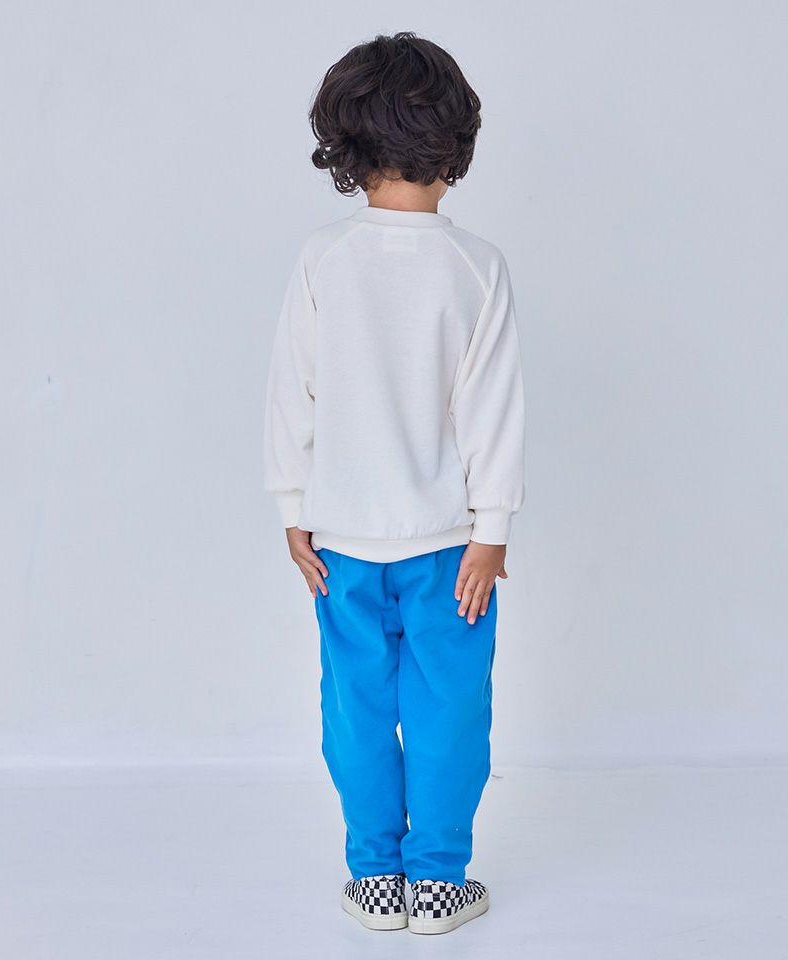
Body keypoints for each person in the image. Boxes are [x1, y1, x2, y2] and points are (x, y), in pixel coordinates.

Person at [263, 31, 525, 935]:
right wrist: (492, 529)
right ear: (455, 140)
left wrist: (293, 509)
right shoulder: (476, 266)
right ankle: (439, 881)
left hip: (339, 543)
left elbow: (291, 393)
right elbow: (493, 411)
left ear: (346, 144)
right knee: (450, 708)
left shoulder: (323, 257)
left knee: (356, 708)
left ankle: (375, 875)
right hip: (451, 550)